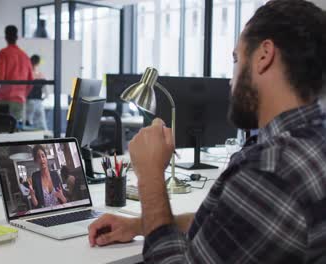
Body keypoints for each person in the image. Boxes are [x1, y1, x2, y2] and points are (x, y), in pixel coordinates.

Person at [88, 0, 326, 262]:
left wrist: (151, 176)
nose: (230, 79)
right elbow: (231, 228)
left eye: (236, 59)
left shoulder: (270, 169)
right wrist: (139, 225)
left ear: (263, 55)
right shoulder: (312, 144)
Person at [0, 25, 33, 123]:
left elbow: (0, 76)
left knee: (2, 129)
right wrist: (23, 94)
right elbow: (31, 81)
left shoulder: (4, 53)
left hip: (4, 98)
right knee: (15, 130)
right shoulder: (24, 55)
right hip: (19, 99)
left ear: (5, 37)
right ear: (17, 37)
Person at [26, 55, 48, 130]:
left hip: (29, 101)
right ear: (38, 63)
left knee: (28, 123)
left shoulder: (27, 74)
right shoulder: (41, 75)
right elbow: (46, 93)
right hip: (38, 102)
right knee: (41, 124)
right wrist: (43, 99)